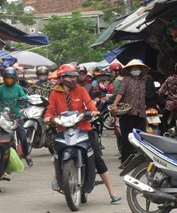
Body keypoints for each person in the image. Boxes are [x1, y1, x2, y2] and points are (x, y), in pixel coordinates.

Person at [44, 64, 121, 203]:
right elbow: (50, 110)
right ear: (61, 78)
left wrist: (93, 111)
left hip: (84, 129)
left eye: (74, 76)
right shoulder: (55, 93)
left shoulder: (80, 90)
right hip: (64, 129)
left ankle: (112, 192)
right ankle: (57, 175)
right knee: (58, 152)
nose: (72, 79)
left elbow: (90, 104)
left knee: (98, 159)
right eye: (69, 76)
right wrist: (49, 118)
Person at [110, 59, 150, 165]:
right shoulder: (126, 80)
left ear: (141, 69)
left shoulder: (143, 80)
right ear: (130, 69)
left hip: (140, 113)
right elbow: (120, 93)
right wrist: (115, 104)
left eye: (137, 68)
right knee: (127, 139)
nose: (135, 70)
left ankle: (141, 161)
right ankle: (125, 162)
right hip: (128, 113)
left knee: (141, 138)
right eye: (133, 68)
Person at [0, 67, 33, 167]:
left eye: (11, 78)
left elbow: (24, 96)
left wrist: (23, 98)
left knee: (23, 137)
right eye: (7, 78)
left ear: (15, 79)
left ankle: (27, 155)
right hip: (3, 116)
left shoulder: (18, 88)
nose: (9, 80)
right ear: (4, 79)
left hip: (16, 116)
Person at [158, 61, 177, 134]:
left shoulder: (170, 79)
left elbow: (161, 91)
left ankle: (164, 133)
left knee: (162, 120)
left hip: (170, 105)